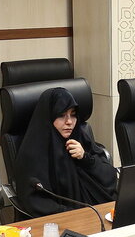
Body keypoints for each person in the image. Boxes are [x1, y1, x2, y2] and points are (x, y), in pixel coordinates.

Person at [12, 87, 116, 217]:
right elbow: (36, 201)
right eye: (61, 115)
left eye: (73, 115)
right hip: (63, 219)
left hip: (98, 212)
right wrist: (73, 215)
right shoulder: (32, 153)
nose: (69, 122)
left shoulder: (80, 137)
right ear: (49, 117)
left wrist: (85, 158)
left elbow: (109, 176)